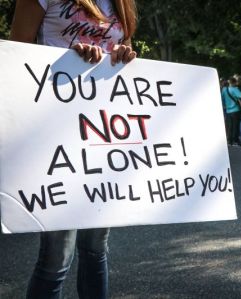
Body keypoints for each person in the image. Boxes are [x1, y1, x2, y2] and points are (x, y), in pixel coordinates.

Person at [10, 0, 137, 298]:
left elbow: (124, 49)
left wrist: (121, 55)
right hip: (55, 130)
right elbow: (14, 54)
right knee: (57, 256)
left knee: (95, 249)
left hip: (103, 133)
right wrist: (70, 60)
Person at [223, 77, 241, 146]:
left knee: (229, 126)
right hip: (235, 110)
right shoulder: (235, 89)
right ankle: (235, 141)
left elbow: (222, 99)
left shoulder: (224, 89)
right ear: (234, 82)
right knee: (236, 126)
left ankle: (229, 141)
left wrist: (225, 105)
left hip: (228, 110)